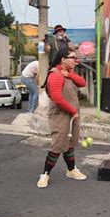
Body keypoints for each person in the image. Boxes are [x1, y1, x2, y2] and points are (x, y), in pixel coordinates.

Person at [37, 48, 87, 188]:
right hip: (61, 115)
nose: (76, 61)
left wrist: (70, 75)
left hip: (72, 114)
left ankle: (71, 170)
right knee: (58, 144)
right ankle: (45, 174)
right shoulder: (55, 76)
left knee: (70, 143)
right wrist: (73, 111)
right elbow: (57, 99)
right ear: (63, 59)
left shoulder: (67, 73)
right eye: (73, 58)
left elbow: (82, 83)